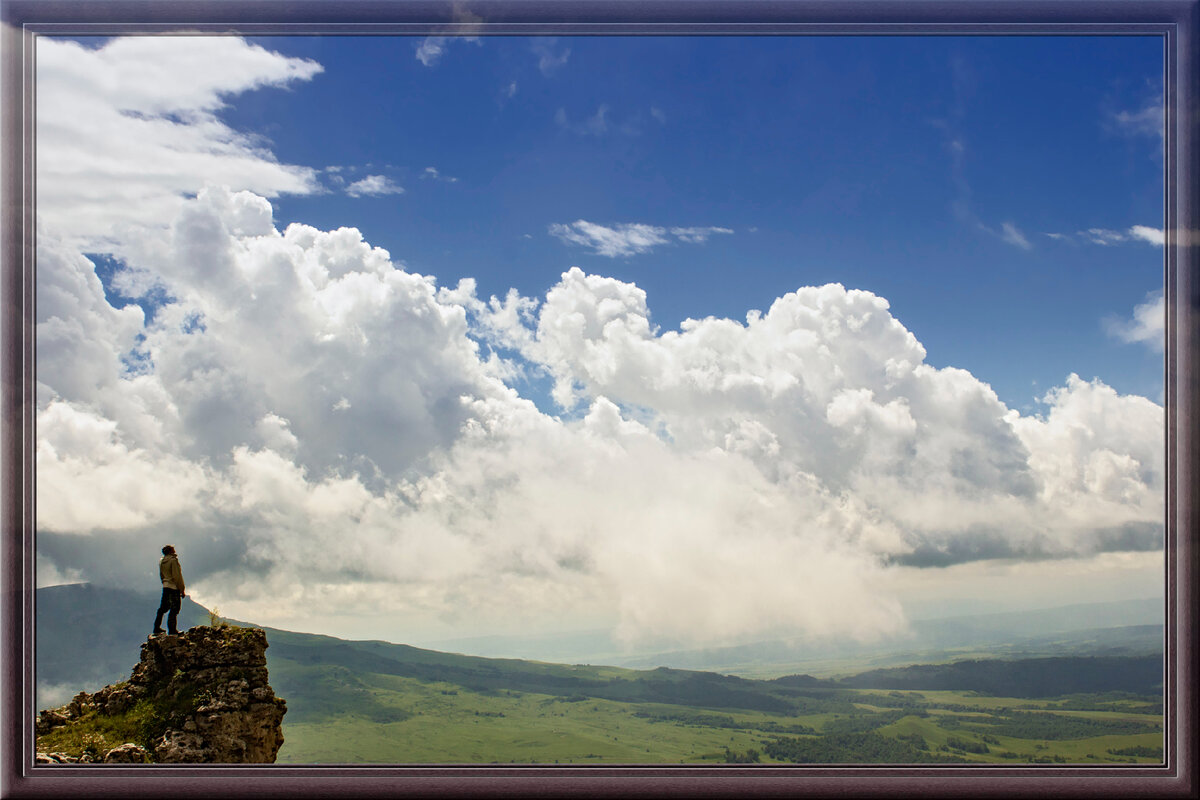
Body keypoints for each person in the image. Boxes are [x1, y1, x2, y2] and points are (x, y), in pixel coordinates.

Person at [152, 545, 186, 636]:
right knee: (174, 608)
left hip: (166, 586)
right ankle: (172, 630)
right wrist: (181, 589)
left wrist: (164, 583)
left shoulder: (161, 561)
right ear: (171, 551)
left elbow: (161, 575)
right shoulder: (173, 561)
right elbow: (177, 576)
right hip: (173, 587)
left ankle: (156, 628)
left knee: (163, 608)